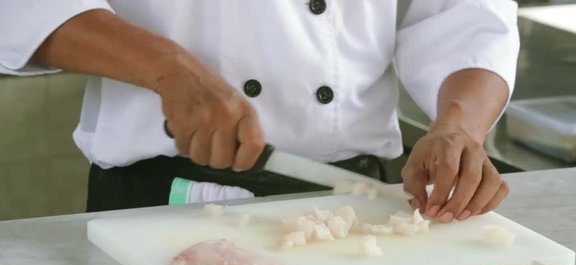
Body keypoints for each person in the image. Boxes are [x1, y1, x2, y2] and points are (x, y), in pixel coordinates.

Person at [0, 0, 519, 223]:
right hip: (162, 205)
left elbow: (467, 15)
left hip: (366, 209)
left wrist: (458, 127)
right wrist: (169, 68)